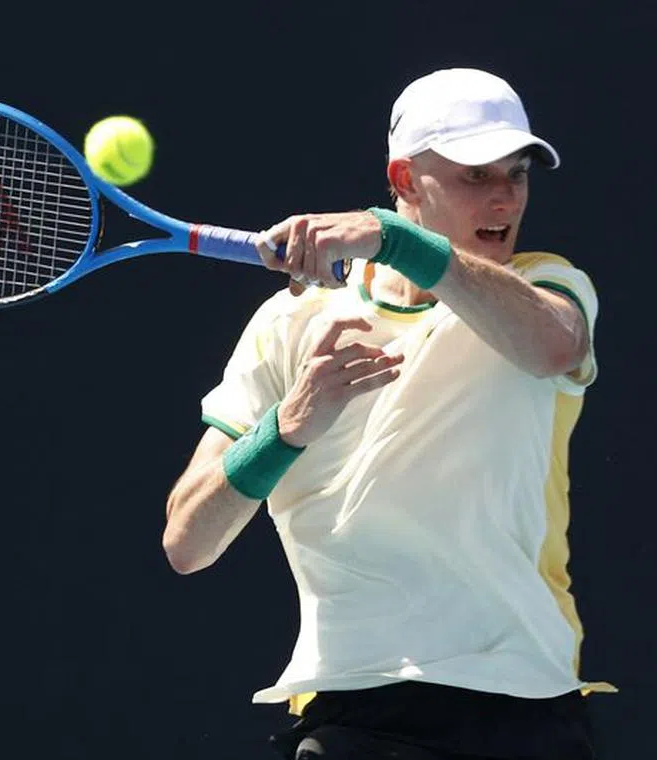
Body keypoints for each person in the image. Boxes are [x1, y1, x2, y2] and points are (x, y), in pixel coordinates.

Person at [163, 67, 614, 759]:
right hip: (358, 713)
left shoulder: (542, 285)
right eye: (474, 175)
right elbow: (188, 542)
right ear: (404, 179)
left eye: (516, 174)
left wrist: (388, 238)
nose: (503, 198)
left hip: (530, 705)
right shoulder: (292, 323)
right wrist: (284, 431)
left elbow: (554, 347)